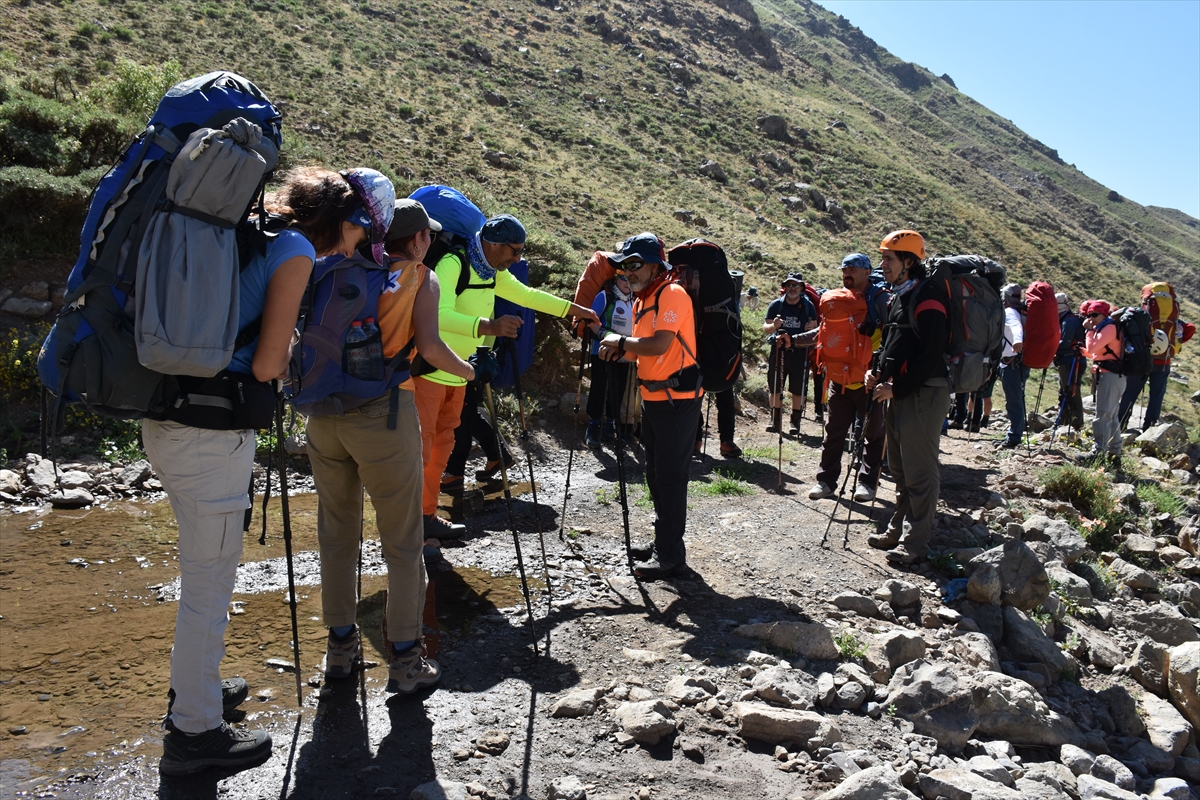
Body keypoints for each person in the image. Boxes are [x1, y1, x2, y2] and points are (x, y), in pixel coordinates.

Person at [149, 165, 372, 775]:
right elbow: (269, 364)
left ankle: (195, 690)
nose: (360, 245)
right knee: (208, 584)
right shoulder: (297, 249)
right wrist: (296, 346)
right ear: (343, 224)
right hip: (211, 430)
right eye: (360, 232)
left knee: (201, 569)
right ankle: (192, 735)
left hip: (167, 415)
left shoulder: (255, 232)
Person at [307, 196, 477, 693]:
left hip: (324, 416)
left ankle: (340, 653)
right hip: (385, 413)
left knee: (337, 535)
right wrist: (470, 369)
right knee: (402, 542)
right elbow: (430, 348)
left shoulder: (334, 267)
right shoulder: (422, 278)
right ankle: (404, 661)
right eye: (429, 235)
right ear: (420, 239)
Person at [415, 213, 597, 539]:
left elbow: (528, 296)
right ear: (493, 244)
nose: (518, 258)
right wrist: (489, 327)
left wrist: (576, 310)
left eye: (522, 251)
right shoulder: (454, 265)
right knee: (423, 450)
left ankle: (426, 516)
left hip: (460, 373)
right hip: (430, 373)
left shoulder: (491, 271)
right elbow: (438, 315)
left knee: (443, 446)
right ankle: (409, 522)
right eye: (515, 251)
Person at [598, 233, 703, 579]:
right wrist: (620, 350)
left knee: (671, 478)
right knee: (656, 476)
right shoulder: (645, 299)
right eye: (623, 266)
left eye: (633, 264)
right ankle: (663, 545)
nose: (627, 272)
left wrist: (622, 341)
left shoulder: (672, 294)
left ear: (655, 264)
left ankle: (672, 557)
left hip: (677, 400)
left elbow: (659, 345)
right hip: (655, 399)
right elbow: (644, 349)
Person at [865, 229, 948, 565]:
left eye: (889, 258)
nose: (882, 264)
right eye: (883, 257)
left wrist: (896, 387)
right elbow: (893, 344)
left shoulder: (929, 296)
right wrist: (878, 370)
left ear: (909, 262)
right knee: (899, 468)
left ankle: (916, 543)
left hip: (924, 394)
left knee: (920, 471)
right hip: (899, 392)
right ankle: (898, 528)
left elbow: (931, 354)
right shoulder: (901, 294)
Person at [804, 254, 889, 502]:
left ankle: (867, 484)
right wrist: (793, 339)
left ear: (866, 271)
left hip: (869, 377)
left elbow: (893, 335)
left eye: (852, 269)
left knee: (873, 434)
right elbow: (823, 333)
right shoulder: (839, 300)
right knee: (833, 433)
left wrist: (883, 370)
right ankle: (826, 482)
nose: (846, 273)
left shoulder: (880, 299)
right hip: (840, 377)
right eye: (844, 269)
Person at [1116, 289, 1195, 431]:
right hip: (1163, 362)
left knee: (1130, 393)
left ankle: (1120, 425)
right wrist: (1177, 340)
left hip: (1141, 360)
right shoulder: (1173, 321)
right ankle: (1149, 429)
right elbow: (1191, 328)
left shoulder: (1141, 316)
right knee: (1156, 396)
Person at [764, 272, 818, 434]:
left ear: (801, 288)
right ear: (785, 287)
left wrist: (811, 328)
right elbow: (766, 328)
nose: (792, 288)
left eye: (796, 285)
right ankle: (775, 421)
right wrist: (774, 325)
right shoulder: (776, 305)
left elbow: (815, 330)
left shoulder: (808, 306)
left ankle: (795, 423)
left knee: (798, 388)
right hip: (778, 350)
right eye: (789, 285)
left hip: (799, 352)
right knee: (775, 387)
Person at [586, 272, 635, 447]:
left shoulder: (635, 299)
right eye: (623, 278)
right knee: (599, 388)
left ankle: (610, 427)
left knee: (618, 390)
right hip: (601, 350)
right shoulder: (605, 296)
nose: (627, 283)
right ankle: (593, 428)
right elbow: (591, 321)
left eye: (630, 279)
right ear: (616, 279)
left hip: (624, 352)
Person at [1077, 300, 1125, 467]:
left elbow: (1091, 347)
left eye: (1094, 315)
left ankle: (1098, 453)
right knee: (1110, 416)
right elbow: (1098, 352)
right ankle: (1114, 454)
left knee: (1103, 415)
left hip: (1110, 376)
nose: (1091, 319)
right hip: (1111, 375)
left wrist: (1088, 331)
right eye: (1088, 315)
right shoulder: (1106, 327)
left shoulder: (1109, 327)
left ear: (1105, 314)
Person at [997, 284, 1029, 449]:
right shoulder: (1021, 312)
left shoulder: (1009, 312)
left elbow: (1015, 328)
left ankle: (1014, 437)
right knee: (1017, 399)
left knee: (1013, 400)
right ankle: (1015, 432)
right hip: (1020, 363)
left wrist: (1018, 340)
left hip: (1012, 364)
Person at [1054, 291, 1086, 433]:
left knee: (1071, 391)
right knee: (1066, 390)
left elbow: (1065, 343)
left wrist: (1049, 347)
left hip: (1071, 360)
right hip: (1069, 359)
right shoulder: (1068, 319)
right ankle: (1066, 420)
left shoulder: (1068, 321)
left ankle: (1075, 423)